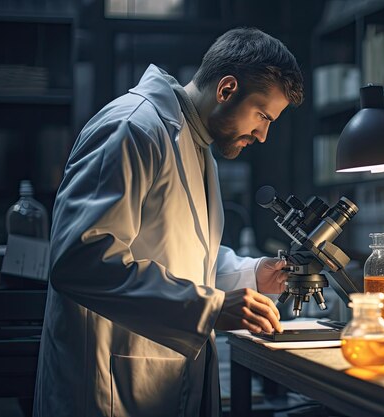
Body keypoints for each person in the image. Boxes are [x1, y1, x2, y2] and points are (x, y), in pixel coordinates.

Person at [33, 27, 304, 417]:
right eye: (262, 115)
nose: (262, 135)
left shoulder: (194, 143)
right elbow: (80, 260)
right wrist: (207, 310)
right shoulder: (132, 128)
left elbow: (176, 255)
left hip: (160, 384)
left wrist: (251, 274)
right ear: (227, 89)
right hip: (106, 388)